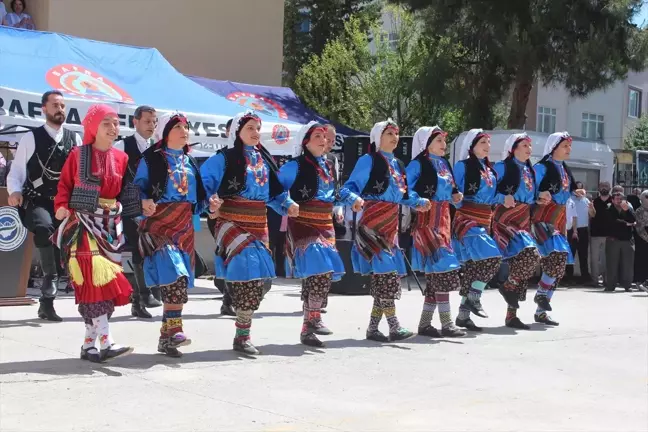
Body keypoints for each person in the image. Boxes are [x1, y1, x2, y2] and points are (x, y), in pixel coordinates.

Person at [201, 111, 297, 356]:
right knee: (246, 266)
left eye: (257, 128)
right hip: (230, 220)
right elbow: (204, 186)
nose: (255, 133)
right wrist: (210, 202)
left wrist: (288, 205)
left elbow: (275, 193)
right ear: (237, 132)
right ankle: (241, 332)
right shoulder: (224, 159)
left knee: (258, 282)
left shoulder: (264, 159)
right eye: (250, 128)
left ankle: (242, 334)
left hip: (258, 222)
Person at [52, 104, 134, 363]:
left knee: (96, 287)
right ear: (93, 127)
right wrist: (61, 207)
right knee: (97, 280)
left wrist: (139, 207)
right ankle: (106, 342)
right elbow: (64, 184)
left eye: (116, 122)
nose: (113, 127)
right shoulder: (78, 155)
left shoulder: (122, 158)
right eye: (106, 122)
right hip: (83, 224)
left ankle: (89, 345)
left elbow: (126, 191)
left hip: (109, 226)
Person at [339, 119, 430, 342]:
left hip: (391, 228)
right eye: (389, 133)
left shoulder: (399, 164)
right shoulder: (368, 159)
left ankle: (372, 328)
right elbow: (347, 188)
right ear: (377, 137)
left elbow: (405, 195)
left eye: (396, 133)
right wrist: (354, 199)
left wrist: (419, 202)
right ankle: (394, 325)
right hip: (372, 225)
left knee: (385, 277)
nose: (394, 137)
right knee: (387, 275)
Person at [132, 112, 207, 357]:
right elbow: (136, 189)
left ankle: (166, 340)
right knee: (174, 272)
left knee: (180, 278)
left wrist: (210, 205)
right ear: (165, 132)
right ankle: (175, 329)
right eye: (178, 128)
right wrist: (144, 202)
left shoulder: (191, 161)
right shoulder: (151, 159)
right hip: (158, 223)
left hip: (184, 226)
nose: (184, 131)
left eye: (186, 127)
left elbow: (200, 197)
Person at [7, 91, 83, 321]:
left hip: (65, 203)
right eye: (55, 105)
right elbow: (18, 170)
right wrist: (15, 191)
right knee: (44, 228)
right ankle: (48, 296)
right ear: (44, 109)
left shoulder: (74, 139)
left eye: (62, 105)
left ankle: (48, 302)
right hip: (37, 200)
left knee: (62, 245)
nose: (60, 109)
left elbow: (79, 174)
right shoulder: (31, 138)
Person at [278, 122, 345, 347]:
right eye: (317, 135)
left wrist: (350, 201)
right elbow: (273, 189)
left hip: (326, 223)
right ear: (305, 140)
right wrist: (286, 203)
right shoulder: (293, 167)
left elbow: (336, 192)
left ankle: (308, 327)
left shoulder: (329, 165)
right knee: (319, 266)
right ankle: (314, 318)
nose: (323, 139)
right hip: (304, 223)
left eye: (324, 136)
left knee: (320, 275)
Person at [405, 126, 466, 338]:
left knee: (436, 275)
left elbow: (451, 188)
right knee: (443, 268)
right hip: (426, 220)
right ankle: (447, 323)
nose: (443, 144)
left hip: (444, 219)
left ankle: (425, 324)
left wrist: (455, 196)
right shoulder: (418, 164)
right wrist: (417, 200)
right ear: (426, 143)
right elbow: (406, 188)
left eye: (443, 140)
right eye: (438, 140)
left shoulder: (444, 163)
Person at [113, 105, 162, 318]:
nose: (151, 125)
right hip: (130, 207)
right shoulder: (122, 146)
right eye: (147, 121)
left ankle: (146, 294)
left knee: (154, 250)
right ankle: (141, 295)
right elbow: (116, 180)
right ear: (135, 122)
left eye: (154, 122)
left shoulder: (159, 148)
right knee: (137, 250)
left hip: (155, 208)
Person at [452, 129, 502, 332]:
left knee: (474, 267)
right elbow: (452, 190)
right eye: (482, 142)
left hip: (485, 219)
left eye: (488, 143)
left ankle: (463, 316)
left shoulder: (490, 170)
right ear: (471, 146)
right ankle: (474, 297)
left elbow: (493, 196)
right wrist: (455, 198)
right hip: (467, 218)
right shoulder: (462, 166)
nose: (487, 147)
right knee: (493, 258)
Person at [532, 132, 584, 326]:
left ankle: (541, 310)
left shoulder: (564, 168)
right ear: (554, 147)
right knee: (557, 256)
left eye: (569, 147)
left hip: (559, 218)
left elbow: (566, 188)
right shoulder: (541, 167)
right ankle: (539, 296)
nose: (568, 149)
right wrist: (539, 195)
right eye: (565, 146)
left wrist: (575, 191)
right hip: (544, 216)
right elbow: (531, 189)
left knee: (559, 265)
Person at [492, 133, 541, 330]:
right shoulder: (501, 167)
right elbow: (489, 192)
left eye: (530, 145)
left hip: (523, 217)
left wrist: (540, 199)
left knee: (521, 265)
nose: (529, 148)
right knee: (530, 254)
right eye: (524, 145)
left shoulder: (530, 170)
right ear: (513, 148)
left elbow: (531, 194)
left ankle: (511, 316)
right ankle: (464, 313)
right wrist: (503, 197)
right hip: (506, 217)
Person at [207, 118, 236, 316]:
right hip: (221, 213)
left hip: (249, 216)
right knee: (227, 252)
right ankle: (228, 298)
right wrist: (212, 204)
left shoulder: (258, 158)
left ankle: (229, 299)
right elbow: (208, 185)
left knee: (237, 255)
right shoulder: (221, 158)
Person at [604, 192, 636, 292]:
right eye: (616, 199)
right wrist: (626, 223)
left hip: (627, 240)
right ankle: (610, 285)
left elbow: (634, 220)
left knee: (628, 265)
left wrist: (627, 212)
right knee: (612, 264)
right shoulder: (609, 209)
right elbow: (612, 222)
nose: (618, 201)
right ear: (612, 200)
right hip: (613, 240)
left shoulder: (628, 209)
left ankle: (627, 285)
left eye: (620, 199)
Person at [590, 181, 611, 287]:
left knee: (607, 259)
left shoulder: (614, 201)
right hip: (595, 234)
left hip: (609, 235)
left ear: (610, 188)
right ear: (598, 188)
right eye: (602, 186)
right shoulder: (594, 202)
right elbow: (591, 216)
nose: (604, 188)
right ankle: (594, 281)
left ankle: (607, 280)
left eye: (606, 186)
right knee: (594, 259)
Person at [634, 191, 648, 292]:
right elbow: (639, 228)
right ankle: (640, 281)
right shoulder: (639, 211)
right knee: (642, 261)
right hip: (642, 240)